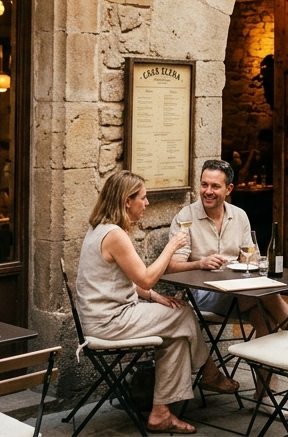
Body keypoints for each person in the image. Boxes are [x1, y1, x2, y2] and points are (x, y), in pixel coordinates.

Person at [76, 170, 238, 434]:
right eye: (143, 197)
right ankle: (210, 373)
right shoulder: (114, 234)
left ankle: (161, 413)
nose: (147, 203)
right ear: (127, 201)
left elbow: (125, 281)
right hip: (110, 322)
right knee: (184, 314)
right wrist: (171, 247)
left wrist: (154, 297)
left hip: (102, 317)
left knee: (175, 335)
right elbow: (148, 277)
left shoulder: (97, 228)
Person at [167, 160, 288, 400]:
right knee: (269, 294)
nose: (208, 191)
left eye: (215, 186)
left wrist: (247, 261)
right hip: (203, 295)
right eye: (204, 185)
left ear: (228, 189)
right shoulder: (185, 217)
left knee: (265, 322)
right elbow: (172, 266)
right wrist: (200, 263)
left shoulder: (239, 216)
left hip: (240, 293)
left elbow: (253, 258)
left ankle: (265, 396)